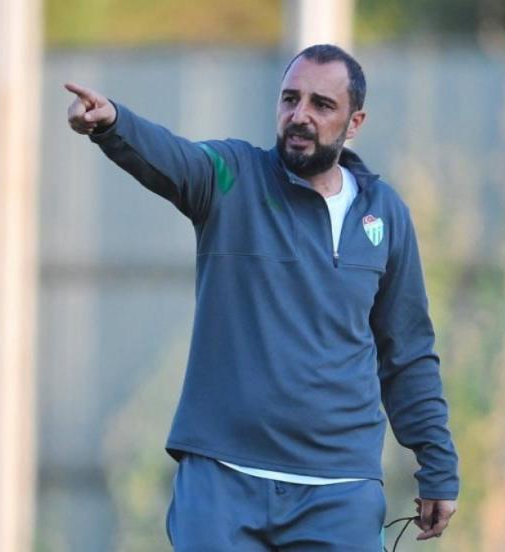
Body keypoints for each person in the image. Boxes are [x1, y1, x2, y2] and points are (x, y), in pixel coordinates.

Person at [66, 44, 458, 551]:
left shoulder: (385, 214)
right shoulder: (232, 177)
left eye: (321, 104)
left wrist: (437, 464)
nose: (300, 115)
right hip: (223, 480)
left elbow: (407, 353)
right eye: (290, 99)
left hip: (340, 491)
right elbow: (174, 157)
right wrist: (113, 123)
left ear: (354, 122)